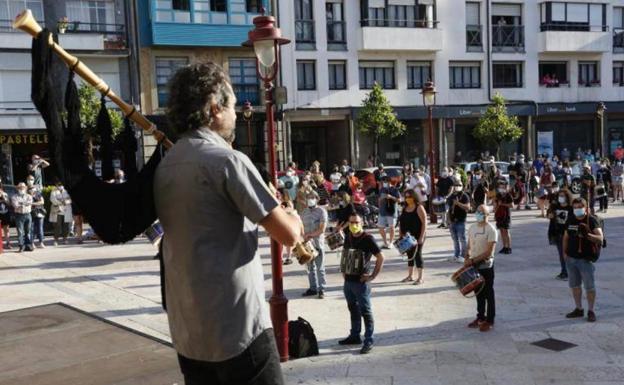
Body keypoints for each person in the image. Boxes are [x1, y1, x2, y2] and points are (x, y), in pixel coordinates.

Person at [153, 62, 305, 384]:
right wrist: (290, 213)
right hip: (237, 328)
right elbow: (289, 235)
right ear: (214, 109)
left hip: (189, 331)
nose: (236, 115)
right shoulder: (228, 160)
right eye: (233, 106)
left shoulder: (167, 164)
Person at [338, 212, 385, 354]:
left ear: (362, 222)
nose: (354, 225)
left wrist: (372, 276)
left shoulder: (368, 239)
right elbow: (345, 253)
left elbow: (381, 257)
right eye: (351, 222)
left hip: (361, 282)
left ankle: (368, 340)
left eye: (356, 222)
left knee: (366, 311)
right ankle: (354, 335)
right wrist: (343, 271)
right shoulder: (348, 236)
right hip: (348, 281)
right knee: (353, 308)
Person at [562, 198, 603, 323]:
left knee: (589, 286)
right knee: (574, 285)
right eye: (575, 207)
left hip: (585, 259)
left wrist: (588, 235)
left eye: (580, 207)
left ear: (585, 208)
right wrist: (565, 254)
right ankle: (578, 308)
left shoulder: (591, 220)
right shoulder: (570, 220)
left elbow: (600, 239)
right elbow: (565, 237)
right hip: (571, 258)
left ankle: (591, 310)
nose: (577, 209)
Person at [464, 204, 498, 332]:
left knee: (488, 292)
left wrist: (472, 260)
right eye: (477, 211)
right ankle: (480, 317)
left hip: (485, 265)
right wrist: (467, 256)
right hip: (473, 265)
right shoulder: (472, 228)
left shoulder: (491, 230)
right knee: (478, 292)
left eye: (482, 212)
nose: (479, 214)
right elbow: (469, 244)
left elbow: (489, 252)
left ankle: (490, 320)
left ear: (487, 215)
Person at [301, 193, 328, 299]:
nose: (310, 200)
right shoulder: (304, 212)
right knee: (310, 268)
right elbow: (301, 227)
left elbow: (322, 229)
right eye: (308, 198)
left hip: (317, 244)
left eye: (312, 198)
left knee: (320, 267)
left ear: (317, 199)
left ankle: (322, 289)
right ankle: (313, 288)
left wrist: (310, 235)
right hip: (307, 244)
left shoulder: (322, 211)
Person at [398, 189, 427, 284]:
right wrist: (400, 235)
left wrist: (421, 237)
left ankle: (421, 277)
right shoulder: (404, 208)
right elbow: (401, 223)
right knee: (409, 255)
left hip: (418, 235)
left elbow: (424, 223)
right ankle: (410, 276)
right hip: (407, 237)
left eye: (409, 197)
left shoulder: (419, 207)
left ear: (414, 197)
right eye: (406, 197)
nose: (408, 199)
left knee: (418, 255)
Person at [548, 189, 573, 280]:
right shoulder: (555, 206)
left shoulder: (571, 208)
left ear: (567, 197)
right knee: (561, 254)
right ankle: (564, 271)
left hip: (568, 234)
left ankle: (570, 272)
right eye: (559, 196)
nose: (560, 198)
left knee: (568, 254)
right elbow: (549, 215)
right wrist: (550, 215)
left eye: (563, 196)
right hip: (558, 233)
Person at [447, 180, 471, 263]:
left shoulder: (465, 196)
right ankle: (456, 255)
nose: (457, 186)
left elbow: (468, 208)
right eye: (456, 185)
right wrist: (448, 220)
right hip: (452, 221)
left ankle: (463, 255)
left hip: (461, 220)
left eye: (459, 185)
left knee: (462, 239)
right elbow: (448, 209)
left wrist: (458, 203)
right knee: (455, 239)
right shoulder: (451, 196)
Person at [377, 176, 399, 249]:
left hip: (391, 211)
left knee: (391, 227)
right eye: (383, 182)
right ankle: (385, 242)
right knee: (380, 227)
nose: (384, 183)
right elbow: (379, 199)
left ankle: (391, 242)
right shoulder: (382, 189)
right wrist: (381, 199)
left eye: (385, 181)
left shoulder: (395, 189)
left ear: (389, 182)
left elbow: (399, 200)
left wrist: (391, 197)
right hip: (382, 211)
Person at [11, 182, 33, 252]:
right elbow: (15, 205)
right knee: (20, 232)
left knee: (28, 231)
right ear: (17, 188)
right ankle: (21, 246)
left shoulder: (29, 196)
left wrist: (21, 203)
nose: (21, 188)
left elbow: (29, 203)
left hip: (28, 215)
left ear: (26, 188)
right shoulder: (14, 196)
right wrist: (24, 203)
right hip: (19, 215)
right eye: (20, 187)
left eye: (23, 187)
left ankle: (28, 245)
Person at [50, 181, 72, 245]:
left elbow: (70, 199)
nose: (60, 185)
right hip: (58, 211)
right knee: (57, 226)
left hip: (66, 210)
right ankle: (56, 240)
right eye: (58, 184)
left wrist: (66, 201)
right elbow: (53, 200)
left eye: (61, 184)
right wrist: (62, 202)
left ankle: (65, 239)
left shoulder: (67, 190)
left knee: (66, 226)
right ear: (56, 185)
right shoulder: (53, 191)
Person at [493, 181, 513, 254]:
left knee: (506, 231)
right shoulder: (498, 196)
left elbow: (512, 205)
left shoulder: (508, 195)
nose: (501, 188)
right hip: (499, 215)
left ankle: (509, 247)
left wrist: (503, 204)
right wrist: (495, 212)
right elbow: (495, 206)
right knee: (501, 231)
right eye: (500, 187)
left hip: (506, 215)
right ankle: (504, 247)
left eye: (503, 186)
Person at [0, 181, 11, 250]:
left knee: (6, 229)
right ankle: (1, 245)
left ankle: (8, 243)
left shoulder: (5, 194)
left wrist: (3, 197)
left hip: (5, 213)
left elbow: (9, 204)